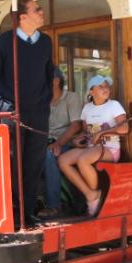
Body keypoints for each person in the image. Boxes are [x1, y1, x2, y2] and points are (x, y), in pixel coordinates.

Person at [0, 0, 53, 225]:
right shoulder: (4, 43)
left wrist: (45, 104)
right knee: (12, 165)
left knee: (34, 165)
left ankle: (27, 213)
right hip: (12, 115)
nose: (42, 12)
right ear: (23, 17)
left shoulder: (45, 42)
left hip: (38, 115)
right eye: (38, 9)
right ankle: (12, 215)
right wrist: (4, 107)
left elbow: (49, 76)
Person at [58, 75, 128, 216]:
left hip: (110, 149)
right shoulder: (87, 108)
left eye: (106, 86)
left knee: (83, 159)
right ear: (91, 91)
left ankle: (94, 200)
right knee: (63, 160)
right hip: (90, 148)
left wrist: (103, 133)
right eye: (100, 86)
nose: (105, 89)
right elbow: (86, 131)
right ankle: (91, 194)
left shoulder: (114, 105)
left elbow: (125, 128)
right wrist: (79, 139)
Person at [37, 66, 83, 220]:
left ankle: (54, 205)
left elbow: (76, 125)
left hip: (69, 142)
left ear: (55, 81)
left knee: (49, 155)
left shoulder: (72, 97)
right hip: (46, 141)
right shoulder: (43, 101)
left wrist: (58, 143)